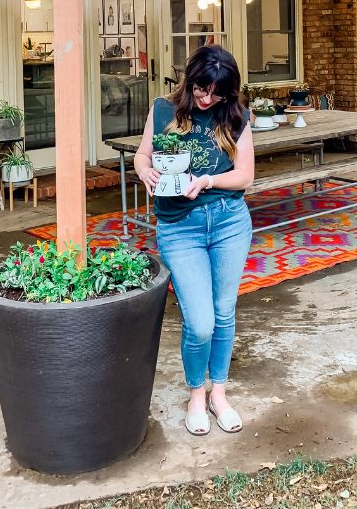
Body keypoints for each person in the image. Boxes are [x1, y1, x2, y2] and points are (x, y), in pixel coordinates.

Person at [134, 44, 254, 436]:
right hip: (180, 225)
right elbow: (142, 154)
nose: (207, 99)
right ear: (190, 80)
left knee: (223, 313)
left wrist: (208, 180)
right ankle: (196, 394)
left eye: (216, 93)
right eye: (202, 90)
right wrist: (145, 172)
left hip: (228, 222)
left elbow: (245, 177)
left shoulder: (235, 114)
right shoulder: (164, 109)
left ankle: (218, 393)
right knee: (199, 322)